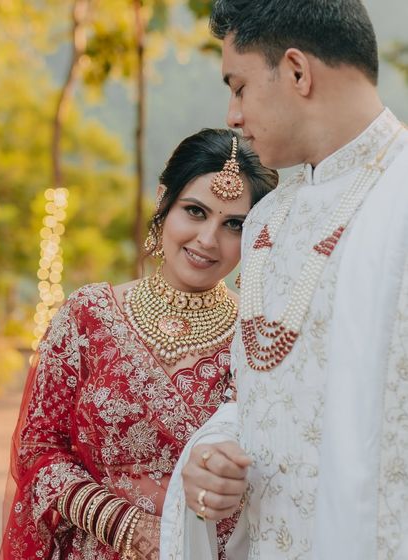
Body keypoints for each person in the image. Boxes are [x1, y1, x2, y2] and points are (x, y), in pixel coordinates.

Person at [161, 2, 408, 559]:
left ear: (297, 71)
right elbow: (270, 395)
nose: (232, 114)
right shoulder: (267, 221)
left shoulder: (399, 199)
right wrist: (212, 455)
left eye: (240, 86)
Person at [0, 128, 278, 560]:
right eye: (195, 211)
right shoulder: (87, 315)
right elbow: (39, 448)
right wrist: (120, 522)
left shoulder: (256, 336)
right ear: (163, 203)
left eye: (234, 224)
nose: (207, 239)